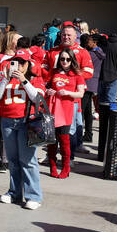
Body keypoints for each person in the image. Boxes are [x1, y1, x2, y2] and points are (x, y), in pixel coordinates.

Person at [0, 50, 45, 207]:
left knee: (28, 160)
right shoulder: (5, 76)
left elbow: (37, 98)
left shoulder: (34, 78)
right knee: (13, 160)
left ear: (28, 64)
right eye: (16, 61)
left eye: (22, 62)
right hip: (7, 121)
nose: (19, 65)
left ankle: (33, 196)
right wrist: (6, 79)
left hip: (26, 123)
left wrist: (24, 81)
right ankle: (14, 192)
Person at [45, 48, 85, 178]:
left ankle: (66, 167)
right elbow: (45, 86)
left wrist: (68, 93)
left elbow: (80, 93)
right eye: (62, 59)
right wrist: (49, 91)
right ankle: (52, 166)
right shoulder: (54, 72)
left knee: (64, 140)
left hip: (66, 110)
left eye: (68, 59)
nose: (65, 61)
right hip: (52, 108)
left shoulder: (77, 75)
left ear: (72, 60)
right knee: (51, 140)